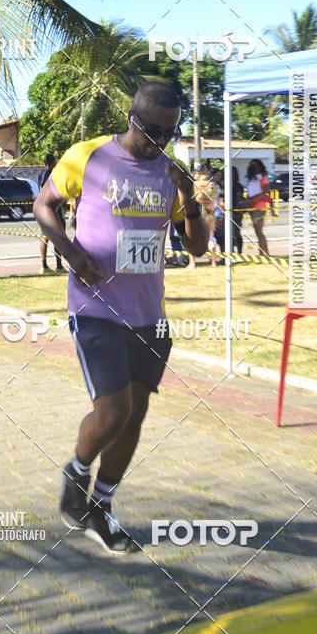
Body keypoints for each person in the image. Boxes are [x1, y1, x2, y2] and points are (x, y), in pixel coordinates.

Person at [33, 82, 209, 554]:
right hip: (96, 309)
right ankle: (77, 471)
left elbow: (197, 246)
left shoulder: (171, 173)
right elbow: (43, 204)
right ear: (132, 118)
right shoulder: (89, 157)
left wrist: (189, 197)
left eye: (169, 132)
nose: (159, 140)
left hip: (149, 315)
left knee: (134, 418)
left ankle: (102, 509)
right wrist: (69, 250)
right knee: (115, 412)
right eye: (152, 129)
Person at [37, 153, 65, 274]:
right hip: (53, 209)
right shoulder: (53, 174)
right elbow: (58, 192)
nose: (57, 162)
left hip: (42, 208)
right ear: (52, 162)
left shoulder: (40, 174)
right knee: (58, 237)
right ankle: (59, 266)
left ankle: (44, 266)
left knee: (45, 237)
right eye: (55, 160)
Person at [189, 164, 217, 268]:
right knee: (210, 239)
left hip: (196, 215)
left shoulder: (193, 185)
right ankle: (213, 262)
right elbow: (213, 201)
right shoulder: (211, 185)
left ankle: (192, 263)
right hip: (209, 214)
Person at [214, 166, 245, 254]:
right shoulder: (239, 186)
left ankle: (230, 253)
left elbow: (221, 200)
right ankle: (239, 252)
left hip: (227, 212)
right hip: (238, 212)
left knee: (226, 234)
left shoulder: (225, 184)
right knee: (237, 233)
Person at [246, 159, 270, 256]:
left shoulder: (262, 178)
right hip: (253, 207)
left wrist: (254, 200)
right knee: (258, 232)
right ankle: (262, 252)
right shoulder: (251, 180)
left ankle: (265, 253)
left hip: (259, 207)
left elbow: (266, 191)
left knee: (259, 232)